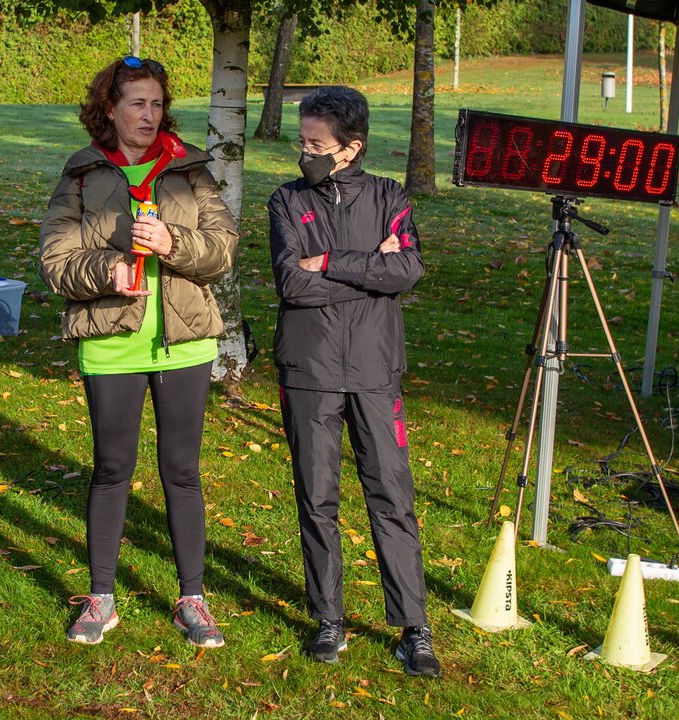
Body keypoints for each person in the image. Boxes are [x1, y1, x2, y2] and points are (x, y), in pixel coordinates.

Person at [39, 56, 238, 648]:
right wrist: (111, 270)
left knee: (182, 470)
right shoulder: (82, 174)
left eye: (156, 103)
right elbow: (55, 262)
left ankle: (192, 598)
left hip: (185, 343)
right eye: (136, 103)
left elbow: (223, 249)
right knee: (112, 469)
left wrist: (174, 242)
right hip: (111, 343)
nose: (148, 115)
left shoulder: (190, 170)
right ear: (110, 109)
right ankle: (101, 597)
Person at [268, 86, 441, 676]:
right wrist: (372, 267)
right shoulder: (286, 200)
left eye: (316, 144)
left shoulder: (390, 196)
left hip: (374, 370)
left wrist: (330, 261)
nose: (305, 153)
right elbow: (292, 284)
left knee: (392, 496)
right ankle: (329, 618)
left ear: (351, 148)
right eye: (302, 141)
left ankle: (414, 626)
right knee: (317, 498)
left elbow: (408, 268)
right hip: (309, 369)